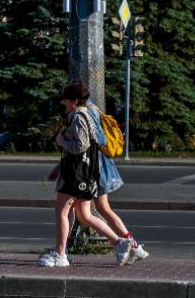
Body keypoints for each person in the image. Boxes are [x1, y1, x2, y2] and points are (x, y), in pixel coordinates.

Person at [38, 81, 132, 267]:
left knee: (62, 212)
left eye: (66, 101)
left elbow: (81, 146)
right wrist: (58, 168)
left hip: (76, 175)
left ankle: (60, 254)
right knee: (84, 215)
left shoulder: (79, 116)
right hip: (85, 173)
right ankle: (119, 243)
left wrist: (61, 141)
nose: (64, 104)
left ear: (74, 101)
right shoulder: (87, 114)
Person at [47, 99, 149, 264]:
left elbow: (92, 142)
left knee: (90, 210)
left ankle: (130, 246)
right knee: (86, 211)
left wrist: (63, 141)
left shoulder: (85, 112)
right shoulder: (90, 110)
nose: (64, 103)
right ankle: (63, 250)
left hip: (93, 168)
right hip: (94, 166)